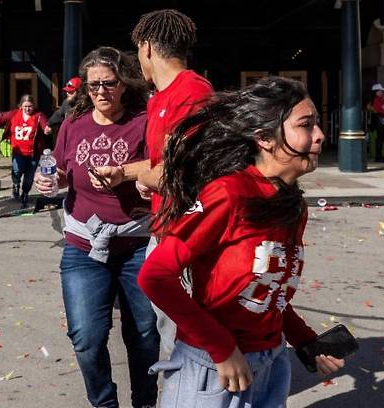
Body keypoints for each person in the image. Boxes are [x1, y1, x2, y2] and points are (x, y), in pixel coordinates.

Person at [138, 77, 344, 407]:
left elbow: (267, 288)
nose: (320, 135)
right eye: (306, 125)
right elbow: (155, 276)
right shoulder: (228, 193)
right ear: (264, 138)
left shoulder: (294, 205)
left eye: (317, 123)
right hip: (211, 371)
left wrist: (304, 339)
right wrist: (220, 346)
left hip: (271, 365)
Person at [34, 47, 159, 408]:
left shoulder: (144, 120)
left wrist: (129, 175)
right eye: (93, 86)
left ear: (123, 84)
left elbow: (162, 165)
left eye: (109, 83)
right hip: (83, 246)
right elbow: (60, 171)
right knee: (86, 338)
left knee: (145, 336)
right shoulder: (74, 124)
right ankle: (104, 404)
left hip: (136, 244)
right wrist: (51, 182)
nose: (101, 91)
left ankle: (145, 403)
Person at [124, 8, 213, 354]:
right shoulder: (160, 97)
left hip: (186, 233)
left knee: (185, 341)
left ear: (146, 47)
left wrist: (146, 177)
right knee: (167, 332)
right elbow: (161, 161)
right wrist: (124, 172)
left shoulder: (193, 92)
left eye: (137, 53)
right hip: (164, 228)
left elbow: (185, 171)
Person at [0, 94, 49, 207]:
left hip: (33, 153)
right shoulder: (14, 114)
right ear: (20, 106)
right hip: (18, 151)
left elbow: (44, 123)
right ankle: (16, 184)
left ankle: (25, 192)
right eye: (25, 106)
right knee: (17, 170)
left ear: (34, 106)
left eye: (30, 106)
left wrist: (46, 128)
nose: (27, 109)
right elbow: (1, 118)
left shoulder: (38, 115)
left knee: (29, 176)